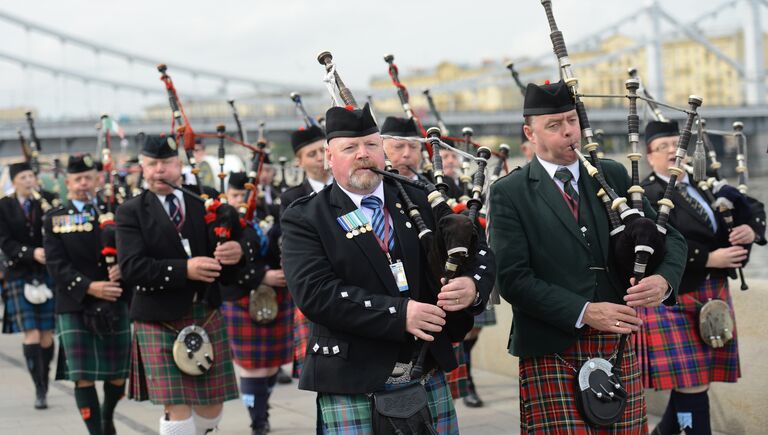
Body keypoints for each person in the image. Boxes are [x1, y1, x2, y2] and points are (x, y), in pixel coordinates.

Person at [281, 103, 495, 434]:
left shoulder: (422, 199)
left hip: (424, 365)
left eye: (370, 144)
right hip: (350, 373)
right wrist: (399, 314)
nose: (362, 154)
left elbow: (477, 249)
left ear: (383, 149)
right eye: (349, 148)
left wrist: (472, 286)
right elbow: (315, 294)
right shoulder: (306, 217)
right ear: (330, 156)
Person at [489, 80, 687, 433]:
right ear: (529, 133)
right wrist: (585, 312)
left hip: (617, 341)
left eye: (572, 121)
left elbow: (668, 236)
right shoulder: (510, 192)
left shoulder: (610, 174)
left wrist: (664, 280)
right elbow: (513, 280)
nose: (569, 133)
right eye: (554, 125)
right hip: (551, 346)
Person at [639, 120, 765, 435]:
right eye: (662, 146)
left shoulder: (706, 183)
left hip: (713, 294)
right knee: (692, 382)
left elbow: (753, 207)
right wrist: (707, 257)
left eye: (676, 144)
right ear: (648, 156)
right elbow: (657, 241)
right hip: (676, 295)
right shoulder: (646, 194)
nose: (672, 151)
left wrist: (753, 229)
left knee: (693, 382)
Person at [116, 134, 244, 435]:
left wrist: (237, 251)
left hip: (206, 312)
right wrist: (184, 269)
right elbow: (132, 267)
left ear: (180, 165)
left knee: (212, 407)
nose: (159, 171)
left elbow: (241, 235)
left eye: (166, 164)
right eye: (151, 164)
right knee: (177, 406)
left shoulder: (206, 199)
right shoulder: (131, 211)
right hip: (157, 316)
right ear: (142, 169)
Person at [44, 154, 131, 435]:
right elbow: (56, 265)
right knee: (82, 377)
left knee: (119, 376)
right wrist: (89, 286)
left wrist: (123, 268)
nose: (83, 183)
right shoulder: (55, 218)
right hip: (76, 303)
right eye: (77, 179)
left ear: (97, 180)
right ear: (67, 182)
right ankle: (97, 432)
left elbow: (133, 250)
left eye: (88, 178)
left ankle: (107, 418)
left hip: (114, 298)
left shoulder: (116, 212)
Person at [220, 172, 293, 435]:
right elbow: (221, 264)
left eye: (246, 194)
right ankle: (257, 420)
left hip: (277, 295)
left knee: (273, 364)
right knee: (252, 366)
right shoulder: (220, 217)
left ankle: (262, 406)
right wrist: (262, 276)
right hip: (239, 296)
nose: (241, 200)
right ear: (227, 194)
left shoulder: (269, 213)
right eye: (236, 195)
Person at [0, 161, 57, 409]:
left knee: (46, 335)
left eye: (31, 175)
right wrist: (30, 253)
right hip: (19, 274)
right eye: (23, 176)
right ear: (14, 181)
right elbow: (4, 241)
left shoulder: (46, 201)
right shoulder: (3, 206)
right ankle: (39, 389)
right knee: (31, 333)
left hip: (46, 273)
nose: (28, 180)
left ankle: (44, 379)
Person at [381, 116, 429, 182]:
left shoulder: (436, 184)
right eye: (398, 146)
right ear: (382, 150)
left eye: (413, 146)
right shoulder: (375, 188)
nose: (407, 154)